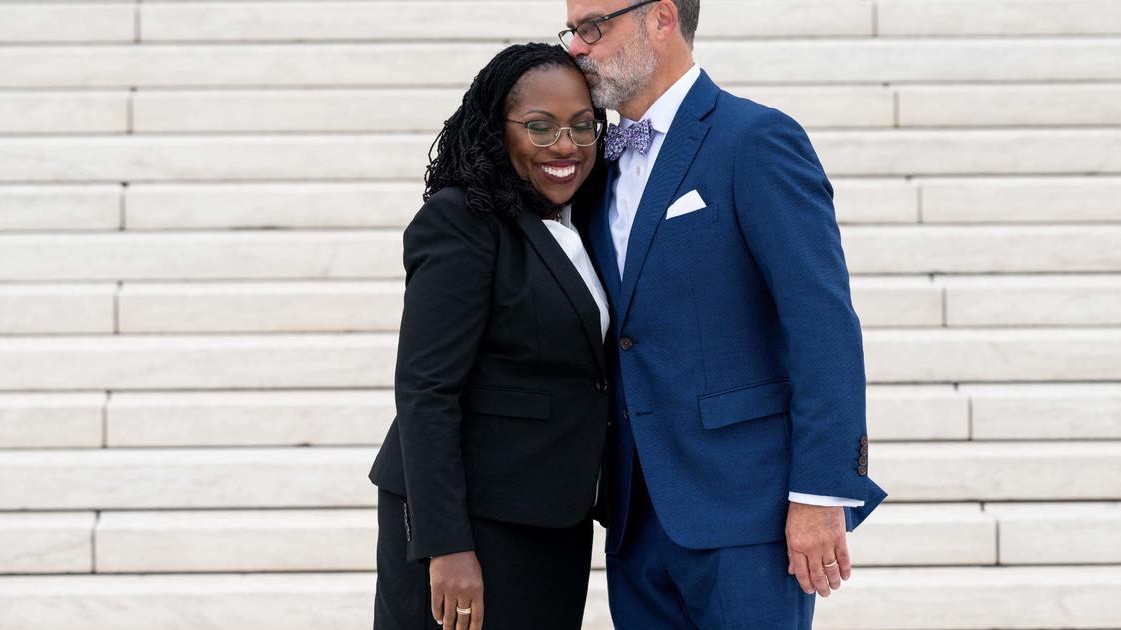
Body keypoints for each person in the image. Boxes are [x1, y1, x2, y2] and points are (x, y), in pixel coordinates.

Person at [559, 1, 888, 628]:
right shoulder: (593, 166)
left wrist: (819, 495)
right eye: (573, 29)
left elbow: (822, 324)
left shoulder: (756, 139)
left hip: (749, 515)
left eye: (593, 26)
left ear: (660, 17)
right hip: (634, 517)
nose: (578, 47)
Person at [368, 43, 613, 630]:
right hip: (473, 524)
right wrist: (446, 547)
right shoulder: (461, 221)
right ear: (495, 130)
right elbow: (426, 390)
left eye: (584, 125)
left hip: (550, 517)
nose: (566, 145)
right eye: (540, 126)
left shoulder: (577, 222)